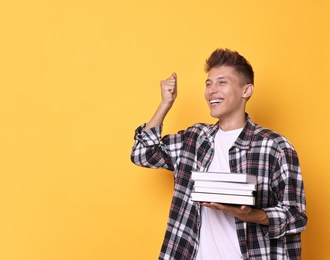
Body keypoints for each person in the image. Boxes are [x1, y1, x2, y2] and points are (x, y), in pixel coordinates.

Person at [130, 48, 307, 260]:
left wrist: (253, 215)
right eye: (208, 83)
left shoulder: (274, 147)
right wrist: (165, 104)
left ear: (246, 90)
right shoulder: (194, 139)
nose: (211, 90)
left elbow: (296, 217)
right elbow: (142, 153)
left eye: (222, 82)